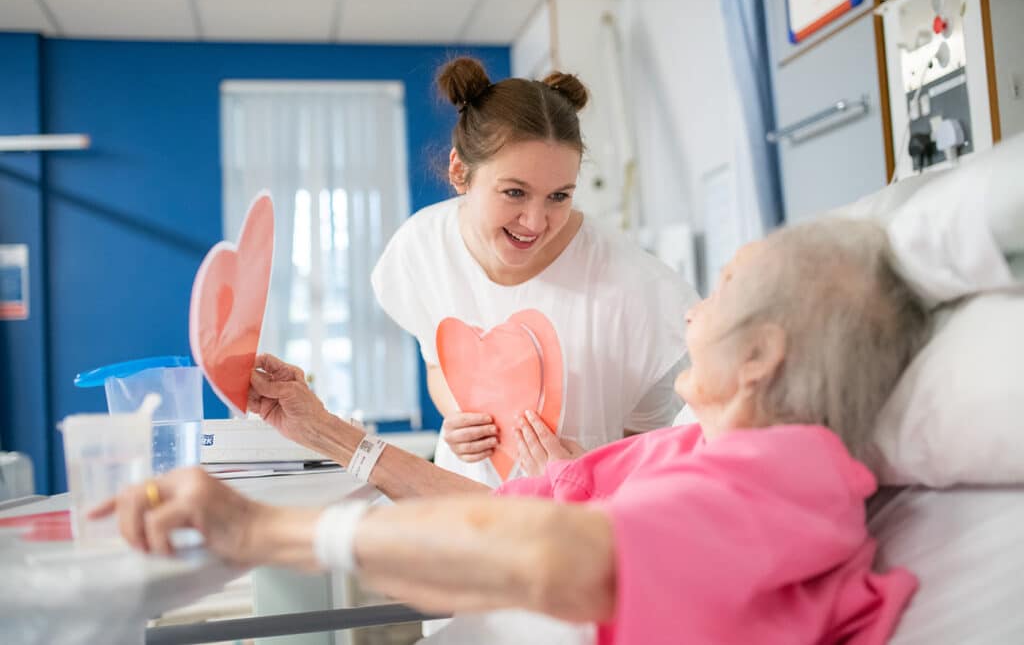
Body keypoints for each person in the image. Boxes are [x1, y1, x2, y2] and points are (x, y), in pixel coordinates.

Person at [95, 217, 931, 645]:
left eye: (719, 290)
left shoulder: (777, 480)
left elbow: (548, 554)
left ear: (758, 356)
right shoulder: (687, 449)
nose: (688, 310)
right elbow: (495, 516)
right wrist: (326, 431)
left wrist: (266, 531)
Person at [370, 56, 699, 486]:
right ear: (459, 171)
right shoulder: (422, 249)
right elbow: (438, 365)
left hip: (571, 530)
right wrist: (458, 416)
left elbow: (659, 443)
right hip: (463, 510)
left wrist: (589, 474)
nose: (535, 222)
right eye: (514, 192)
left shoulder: (636, 287)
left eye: (559, 196)